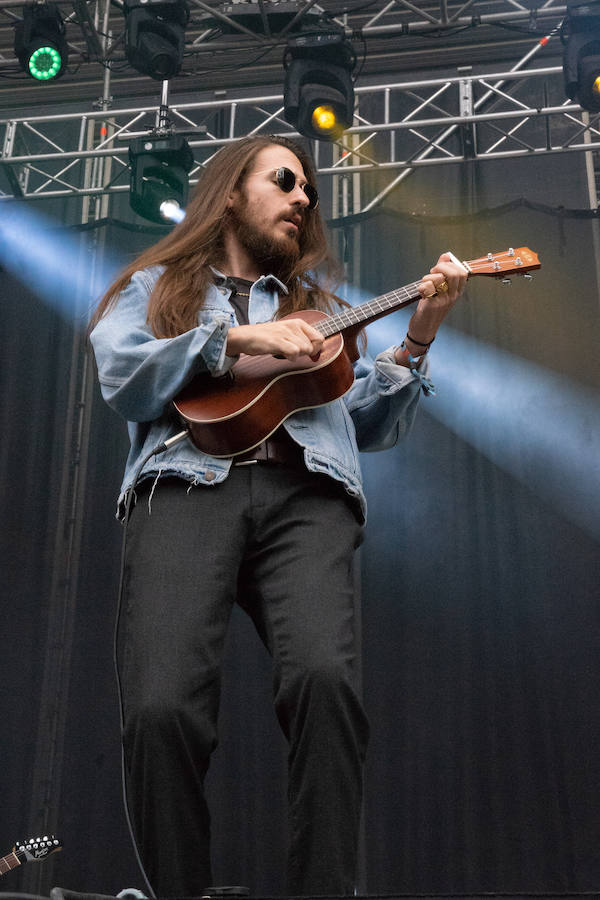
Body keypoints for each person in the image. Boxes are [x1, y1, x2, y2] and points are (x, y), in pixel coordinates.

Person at [90, 134, 467, 898]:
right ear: (231, 192)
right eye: (285, 180)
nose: (303, 198)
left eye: (310, 192)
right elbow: (124, 375)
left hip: (306, 495)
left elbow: (369, 423)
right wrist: (233, 338)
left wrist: (419, 334)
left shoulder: (317, 314)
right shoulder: (155, 287)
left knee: (327, 685)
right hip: (184, 485)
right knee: (161, 709)